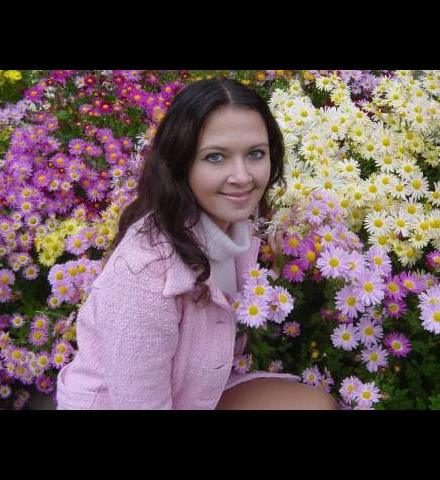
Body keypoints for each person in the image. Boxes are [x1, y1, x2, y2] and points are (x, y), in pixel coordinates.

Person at [56, 77, 338, 410]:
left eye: (255, 154)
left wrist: (273, 270)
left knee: (317, 405)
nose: (242, 176)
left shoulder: (234, 229)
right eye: (216, 157)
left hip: (195, 389)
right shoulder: (143, 273)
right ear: (180, 162)